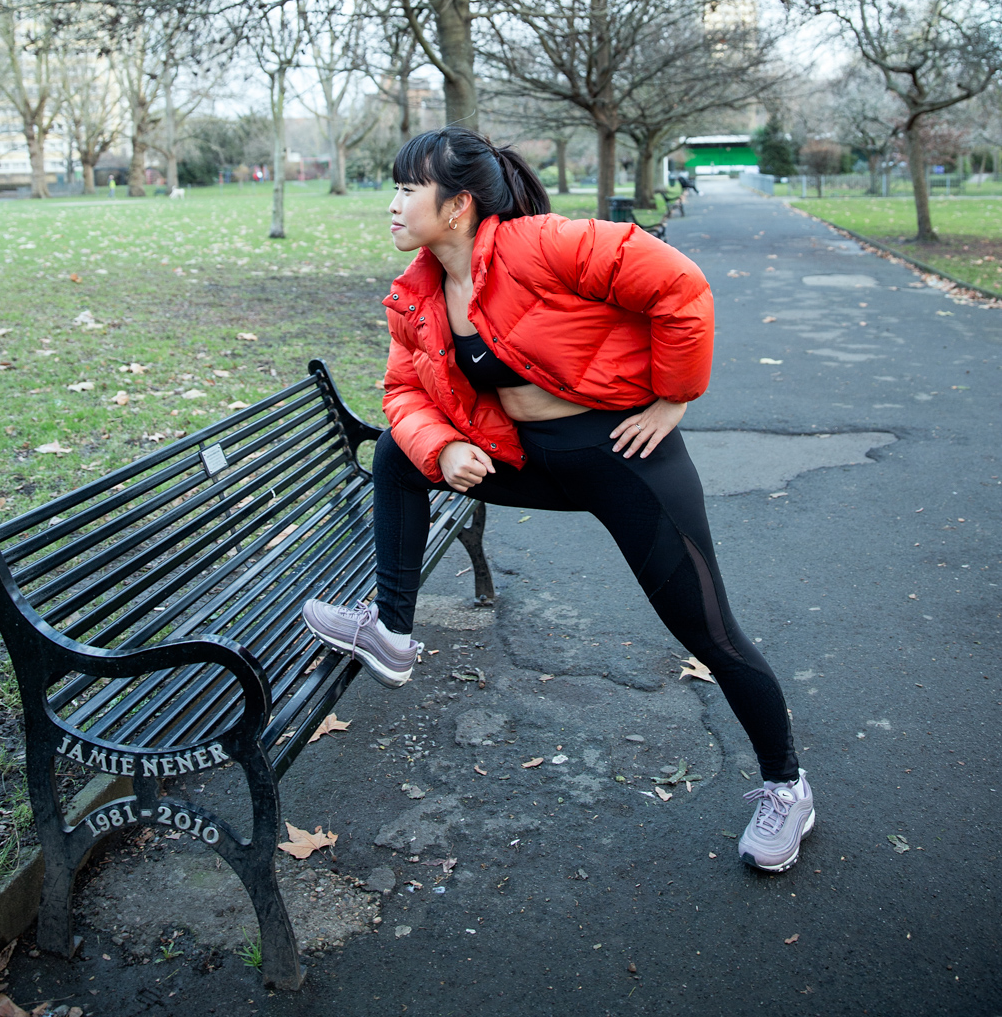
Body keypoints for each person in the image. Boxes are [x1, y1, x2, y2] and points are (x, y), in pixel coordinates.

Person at [303, 128, 814, 873]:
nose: (391, 204)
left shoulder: (544, 244)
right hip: (527, 461)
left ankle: (786, 787)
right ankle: (391, 630)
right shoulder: (416, 293)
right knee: (396, 453)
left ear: (457, 206)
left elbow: (679, 287)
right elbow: (404, 391)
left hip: (625, 461)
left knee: (710, 633)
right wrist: (443, 447)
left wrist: (673, 397)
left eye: (405, 189)